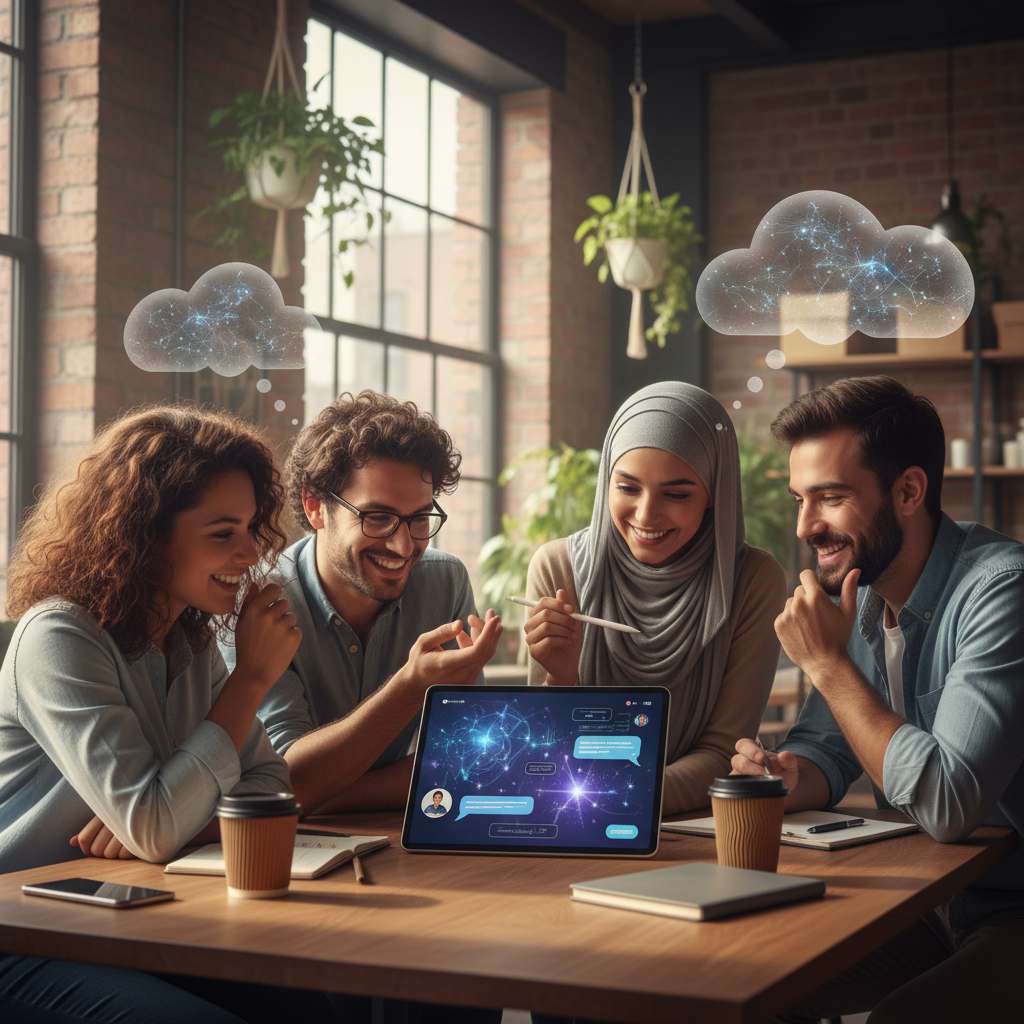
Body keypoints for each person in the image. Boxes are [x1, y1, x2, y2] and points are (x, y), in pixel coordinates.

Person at [0, 406, 336, 1024]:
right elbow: (154, 824)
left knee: (308, 1004)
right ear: (145, 534)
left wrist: (168, 828)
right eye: (222, 533)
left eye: (251, 529)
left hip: (123, 910)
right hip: (22, 928)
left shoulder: (190, 641)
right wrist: (253, 679)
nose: (249, 554)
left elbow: (269, 785)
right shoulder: (59, 637)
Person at [732, 375, 1024, 1023]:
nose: (807, 525)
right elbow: (827, 749)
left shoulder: (1002, 590)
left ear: (909, 491)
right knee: (751, 984)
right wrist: (786, 775)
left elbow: (949, 803)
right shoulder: (862, 594)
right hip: (924, 900)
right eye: (800, 499)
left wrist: (827, 665)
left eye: (830, 497)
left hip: (1009, 908)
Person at [223, 390, 501, 816]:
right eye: (378, 517)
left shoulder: (445, 582)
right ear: (315, 507)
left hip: (396, 840)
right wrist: (411, 686)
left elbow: (468, 765)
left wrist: (321, 794)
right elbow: (283, 781)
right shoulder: (257, 600)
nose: (403, 544)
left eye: (420, 519)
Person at [524, 381, 787, 815]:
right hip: (569, 817)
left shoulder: (753, 581)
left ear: (713, 495)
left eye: (677, 494)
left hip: (688, 828)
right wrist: (560, 678)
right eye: (627, 488)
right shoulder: (557, 570)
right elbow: (540, 757)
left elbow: (725, 752)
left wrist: (619, 798)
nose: (646, 515)